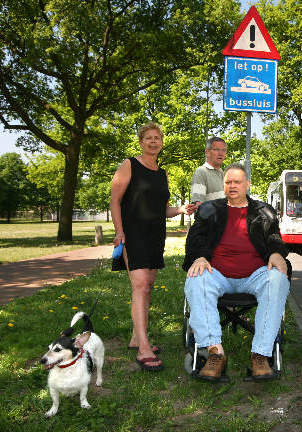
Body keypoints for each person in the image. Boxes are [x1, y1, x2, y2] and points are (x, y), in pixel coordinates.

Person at [183, 163, 290, 381]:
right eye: (228, 182)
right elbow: (196, 237)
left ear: (247, 184)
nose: (232, 186)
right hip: (217, 273)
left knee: (277, 279)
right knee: (197, 278)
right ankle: (215, 353)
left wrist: (277, 253)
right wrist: (200, 256)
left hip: (255, 274)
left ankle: (260, 354)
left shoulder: (263, 212)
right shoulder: (210, 210)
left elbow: (274, 238)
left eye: (237, 182)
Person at [110, 121, 194, 372]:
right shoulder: (129, 165)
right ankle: (143, 348)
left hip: (156, 235)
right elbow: (115, 201)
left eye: (157, 137)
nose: (153, 141)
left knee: (148, 287)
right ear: (141, 141)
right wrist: (119, 231)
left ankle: (137, 337)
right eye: (148, 137)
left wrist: (179, 209)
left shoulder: (162, 173)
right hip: (133, 234)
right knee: (141, 285)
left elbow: (161, 210)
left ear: (162, 142)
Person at [190, 137, 227, 209]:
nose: (221, 153)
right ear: (207, 152)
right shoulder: (201, 172)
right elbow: (198, 205)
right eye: (216, 149)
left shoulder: (225, 174)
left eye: (224, 150)